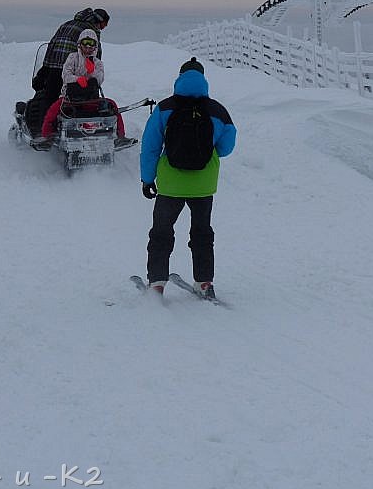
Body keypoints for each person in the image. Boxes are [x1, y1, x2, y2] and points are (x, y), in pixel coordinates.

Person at [139, 57, 236, 299]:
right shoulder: (218, 110)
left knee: (161, 232)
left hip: (170, 184)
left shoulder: (165, 107)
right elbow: (227, 147)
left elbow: (150, 146)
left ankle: (157, 283)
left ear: (179, 78)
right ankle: (204, 282)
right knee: (202, 232)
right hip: (203, 185)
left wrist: (147, 179)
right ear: (203, 79)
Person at [37, 29, 132, 148]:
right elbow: (65, 75)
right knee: (53, 110)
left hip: (91, 99)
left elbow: (100, 79)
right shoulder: (72, 58)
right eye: (85, 43)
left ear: (95, 46)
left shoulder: (98, 63)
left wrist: (91, 73)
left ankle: (120, 137)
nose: (88, 47)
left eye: (91, 44)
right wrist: (77, 79)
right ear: (79, 44)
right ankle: (47, 137)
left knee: (112, 106)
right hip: (70, 99)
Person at [37, 8, 110, 111]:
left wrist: (45, 68)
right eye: (103, 25)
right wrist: (93, 69)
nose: (102, 28)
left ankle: (46, 125)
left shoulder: (67, 24)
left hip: (53, 67)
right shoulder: (90, 31)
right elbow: (94, 53)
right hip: (72, 69)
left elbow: (52, 44)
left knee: (50, 103)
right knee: (74, 103)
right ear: (99, 20)